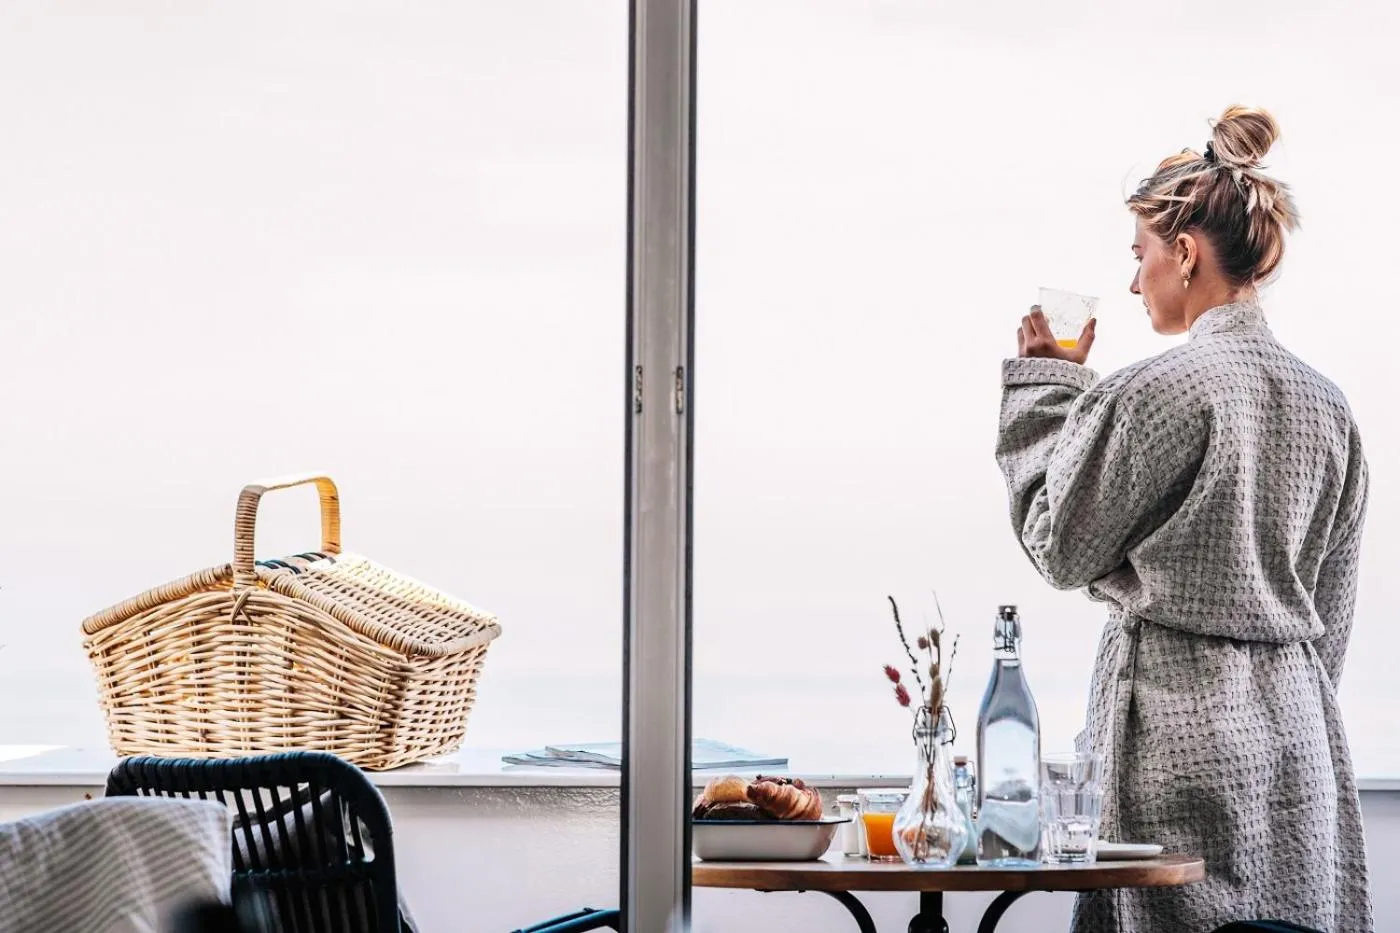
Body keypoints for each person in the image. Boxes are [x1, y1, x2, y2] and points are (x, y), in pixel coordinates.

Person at [995, 106, 1372, 932]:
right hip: (1299, 742)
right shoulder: (1331, 408)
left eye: (1141, 255)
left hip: (1177, 734)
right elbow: (1332, 616)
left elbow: (1059, 544)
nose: (1136, 283)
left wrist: (1045, 389)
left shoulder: (1155, 390)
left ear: (1188, 252)